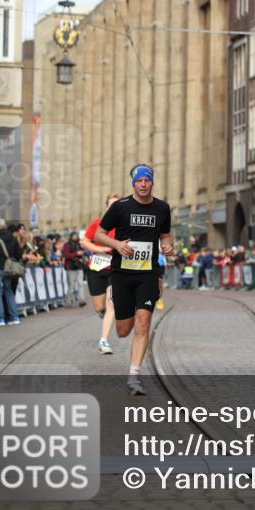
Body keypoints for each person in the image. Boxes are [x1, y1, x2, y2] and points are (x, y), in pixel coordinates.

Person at [93, 165, 173, 395]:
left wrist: (167, 247)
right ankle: (120, 322)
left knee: (144, 319)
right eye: (140, 181)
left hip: (148, 273)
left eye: (147, 180)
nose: (144, 184)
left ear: (152, 183)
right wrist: (117, 245)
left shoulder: (162, 208)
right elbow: (100, 234)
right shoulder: (120, 207)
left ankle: (134, 376)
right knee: (123, 329)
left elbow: (165, 236)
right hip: (122, 274)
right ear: (134, 183)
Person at [82, 194, 120, 354]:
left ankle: (103, 341)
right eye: (111, 204)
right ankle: (103, 314)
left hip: (115, 269)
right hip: (97, 268)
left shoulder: (124, 225)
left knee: (112, 303)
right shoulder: (97, 223)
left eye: (117, 205)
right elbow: (84, 241)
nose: (113, 207)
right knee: (100, 307)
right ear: (106, 207)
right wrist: (101, 249)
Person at [62, 232, 87, 307]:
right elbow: (66, 255)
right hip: (71, 267)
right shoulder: (67, 245)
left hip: (79, 266)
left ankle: (81, 300)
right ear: (71, 237)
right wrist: (76, 253)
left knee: (80, 283)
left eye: (76, 236)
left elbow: (83, 252)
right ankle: (69, 301)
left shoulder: (79, 244)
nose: (75, 237)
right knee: (71, 285)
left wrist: (83, 254)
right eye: (74, 236)